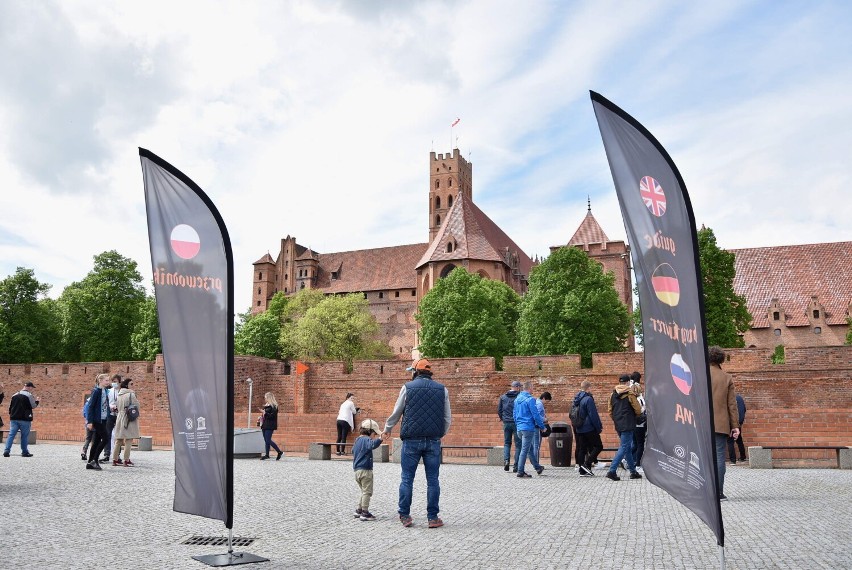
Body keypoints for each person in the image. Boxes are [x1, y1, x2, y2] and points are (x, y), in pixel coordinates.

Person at [381, 358, 451, 528]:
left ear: (415, 372)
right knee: (433, 480)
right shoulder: (442, 389)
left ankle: (405, 515)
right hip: (433, 440)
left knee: (407, 479)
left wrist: (387, 428)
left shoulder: (407, 387)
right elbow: (447, 418)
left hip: (411, 440)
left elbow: (397, 412)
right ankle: (433, 517)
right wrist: (440, 434)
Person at [709, 346, 740, 500]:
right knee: (720, 457)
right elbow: (732, 405)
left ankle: (704, 491)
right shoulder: (726, 378)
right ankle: (719, 492)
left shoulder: (697, 375)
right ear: (721, 359)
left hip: (701, 424)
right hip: (720, 424)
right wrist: (735, 426)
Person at [605, 374, 643, 481]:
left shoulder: (612, 394)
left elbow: (610, 411)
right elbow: (638, 409)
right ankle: (612, 471)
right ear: (627, 382)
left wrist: (617, 419)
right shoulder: (630, 394)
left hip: (618, 424)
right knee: (624, 447)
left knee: (626, 448)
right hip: (628, 424)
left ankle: (633, 471)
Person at [513, 380, 545, 478]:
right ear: (530, 388)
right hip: (528, 428)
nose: (533, 389)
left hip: (519, 428)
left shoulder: (517, 399)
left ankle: (537, 467)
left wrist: (518, 424)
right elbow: (535, 415)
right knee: (524, 450)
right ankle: (520, 471)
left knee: (529, 449)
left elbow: (514, 414)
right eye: (533, 388)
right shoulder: (530, 400)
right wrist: (542, 427)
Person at [352, 419, 383, 521]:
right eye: (374, 434)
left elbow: (353, 450)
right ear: (369, 431)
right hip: (365, 470)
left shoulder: (357, 440)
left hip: (357, 471)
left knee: (363, 491)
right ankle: (365, 512)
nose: (374, 436)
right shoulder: (366, 440)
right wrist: (380, 439)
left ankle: (358, 510)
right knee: (367, 492)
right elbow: (372, 445)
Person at [573, 381, 603, 477]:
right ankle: (587, 464)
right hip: (589, 427)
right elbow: (593, 415)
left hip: (579, 427)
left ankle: (583, 471)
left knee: (582, 449)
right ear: (588, 388)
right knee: (598, 446)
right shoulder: (588, 399)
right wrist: (598, 427)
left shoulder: (576, 398)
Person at [3, 381, 39, 458]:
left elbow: (10, 408)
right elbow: (33, 406)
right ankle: (24, 452)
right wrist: (37, 401)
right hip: (25, 419)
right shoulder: (29, 395)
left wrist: (12, 415)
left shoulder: (14, 395)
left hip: (14, 418)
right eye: (32, 388)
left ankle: (6, 450)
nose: (32, 389)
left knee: (11, 435)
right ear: (29, 387)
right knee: (24, 436)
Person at [85, 373, 112, 470]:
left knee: (96, 441)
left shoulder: (105, 391)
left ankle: (89, 463)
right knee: (105, 438)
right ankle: (94, 460)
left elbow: (104, 405)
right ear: (100, 381)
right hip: (97, 419)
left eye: (108, 380)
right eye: (106, 380)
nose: (108, 382)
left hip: (104, 418)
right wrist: (90, 421)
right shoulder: (96, 391)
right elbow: (91, 407)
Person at [112, 377, 141, 466]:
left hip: (120, 417)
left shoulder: (119, 394)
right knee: (129, 439)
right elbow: (137, 406)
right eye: (131, 384)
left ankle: (115, 459)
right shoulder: (131, 394)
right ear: (127, 385)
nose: (133, 386)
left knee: (119, 440)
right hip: (129, 418)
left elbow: (117, 406)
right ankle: (126, 459)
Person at [497, 380, 522, 472]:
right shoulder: (519, 397)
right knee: (518, 445)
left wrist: (503, 418)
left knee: (507, 443)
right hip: (516, 423)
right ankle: (516, 466)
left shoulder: (503, 397)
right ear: (518, 387)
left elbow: (499, 410)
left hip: (506, 422)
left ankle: (506, 461)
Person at [102, 374, 122, 463]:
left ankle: (117, 454)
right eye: (113, 381)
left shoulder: (122, 392)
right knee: (107, 434)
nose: (114, 383)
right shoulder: (109, 391)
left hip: (119, 415)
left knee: (119, 435)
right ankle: (107, 454)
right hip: (110, 414)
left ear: (119, 382)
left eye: (116, 382)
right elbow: (106, 402)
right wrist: (111, 406)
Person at [630, 371, 647, 471]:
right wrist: (644, 408)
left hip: (634, 422)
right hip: (639, 422)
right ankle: (637, 464)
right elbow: (640, 410)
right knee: (640, 444)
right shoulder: (638, 399)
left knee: (635, 443)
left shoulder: (632, 397)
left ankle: (625, 460)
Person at [259, 392, 283, 460]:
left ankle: (279, 452)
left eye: (266, 397)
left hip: (270, 425)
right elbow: (265, 415)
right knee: (266, 440)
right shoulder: (266, 405)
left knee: (268, 440)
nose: (265, 399)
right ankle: (267, 455)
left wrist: (265, 413)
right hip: (264, 424)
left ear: (269, 398)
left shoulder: (274, 406)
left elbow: (273, 416)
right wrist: (261, 416)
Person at [532, 391, 552, 467]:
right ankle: (536, 464)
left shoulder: (537, 402)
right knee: (536, 446)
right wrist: (545, 420)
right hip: (537, 426)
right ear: (543, 398)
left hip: (536, 426)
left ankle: (536, 463)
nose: (546, 403)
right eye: (546, 401)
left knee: (535, 445)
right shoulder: (539, 404)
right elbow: (536, 416)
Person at [727, 393, 747, 464]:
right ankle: (743, 456)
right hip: (739, 422)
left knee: (730, 441)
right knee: (739, 439)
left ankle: (733, 460)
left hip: (732, 422)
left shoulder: (730, 398)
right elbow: (744, 409)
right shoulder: (739, 398)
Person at [81, 395, 94, 460]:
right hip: (94, 423)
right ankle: (92, 455)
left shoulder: (86, 403)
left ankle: (84, 451)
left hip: (87, 423)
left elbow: (83, 413)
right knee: (94, 440)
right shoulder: (94, 403)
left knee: (88, 438)